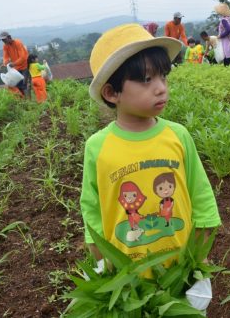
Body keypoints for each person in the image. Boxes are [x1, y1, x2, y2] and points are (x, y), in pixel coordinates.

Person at [80, 23, 221, 309]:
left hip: (179, 267)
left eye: (163, 77)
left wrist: (201, 256)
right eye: (146, 79)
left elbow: (201, 195)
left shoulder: (177, 135)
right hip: (129, 276)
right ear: (111, 93)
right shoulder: (98, 147)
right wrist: (100, 257)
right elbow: (92, 208)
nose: (160, 88)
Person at [0, 31, 29, 97]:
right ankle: (24, 99)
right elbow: (5, 57)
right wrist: (4, 63)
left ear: (9, 37)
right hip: (16, 68)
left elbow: (23, 57)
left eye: (4, 39)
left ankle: (29, 100)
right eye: (2, 40)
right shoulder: (5, 46)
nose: (4, 41)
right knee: (18, 84)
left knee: (24, 84)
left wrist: (14, 63)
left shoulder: (18, 43)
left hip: (24, 66)